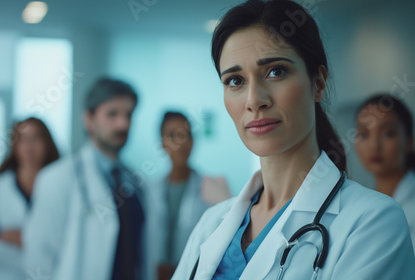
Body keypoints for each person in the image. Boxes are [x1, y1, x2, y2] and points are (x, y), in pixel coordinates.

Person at [172, 0, 415, 279]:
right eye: (235, 81)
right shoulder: (212, 223)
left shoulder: (373, 222)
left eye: (276, 72)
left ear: (318, 83)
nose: (254, 101)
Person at [23, 78, 147, 280]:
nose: (123, 123)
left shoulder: (135, 181)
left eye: (129, 114)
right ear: (89, 119)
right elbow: (38, 259)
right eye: (112, 114)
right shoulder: (57, 178)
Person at [0, 117, 59, 280]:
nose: (29, 146)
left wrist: (21, 238)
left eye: (36, 138)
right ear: (14, 145)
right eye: (23, 139)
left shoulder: (62, 187)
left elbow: (65, 241)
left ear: (47, 143)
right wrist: (39, 250)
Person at [147, 111, 231, 280]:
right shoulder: (148, 191)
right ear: (162, 143)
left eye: (186, 135)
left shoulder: (214, 190)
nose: (181, 142)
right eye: (173, 136)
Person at [355, 94, 415, 251]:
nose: (374, 146)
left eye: (387, 133)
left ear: (409, 142)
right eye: (364, 134)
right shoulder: (358, 205)